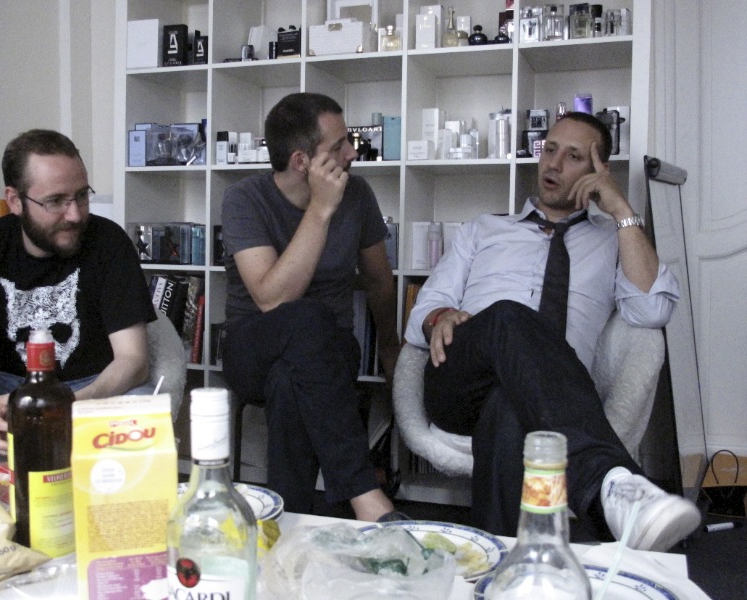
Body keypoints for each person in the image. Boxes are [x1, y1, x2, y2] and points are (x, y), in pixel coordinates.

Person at [404, 111, 701, 552]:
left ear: (599, 171)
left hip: (549, 396)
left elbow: (652, 311)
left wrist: (621, 210)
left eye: (573, 156)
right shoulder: (484, 229)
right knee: (508, 316)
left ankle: (505, 563)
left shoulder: (613, 241)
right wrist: (440, 316)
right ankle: (608, 481)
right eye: (550, 149)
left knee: (510, 409)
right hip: (460, 378)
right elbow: (419, 318)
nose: (553, 163)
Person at [221, 93, 401, 522]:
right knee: (304, 315)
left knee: (291, 380)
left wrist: (390, 347)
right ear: (302, 161)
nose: (352, 153)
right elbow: (272, 300)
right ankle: (364, 493)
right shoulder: (244, 199)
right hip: (253, 346)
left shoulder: (358, 194)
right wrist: (320, 210)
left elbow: (379, 280)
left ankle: (286, 522)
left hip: (331, 352)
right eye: (339, 146)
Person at [0, 129, 156, 462]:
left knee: (140, 409)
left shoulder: (110, 242)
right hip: (13, 388)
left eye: (82, 196)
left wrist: (74, 405)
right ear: (15, 201)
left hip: (93, 388)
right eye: (56, 201)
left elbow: (134, 361)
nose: (75, 214)